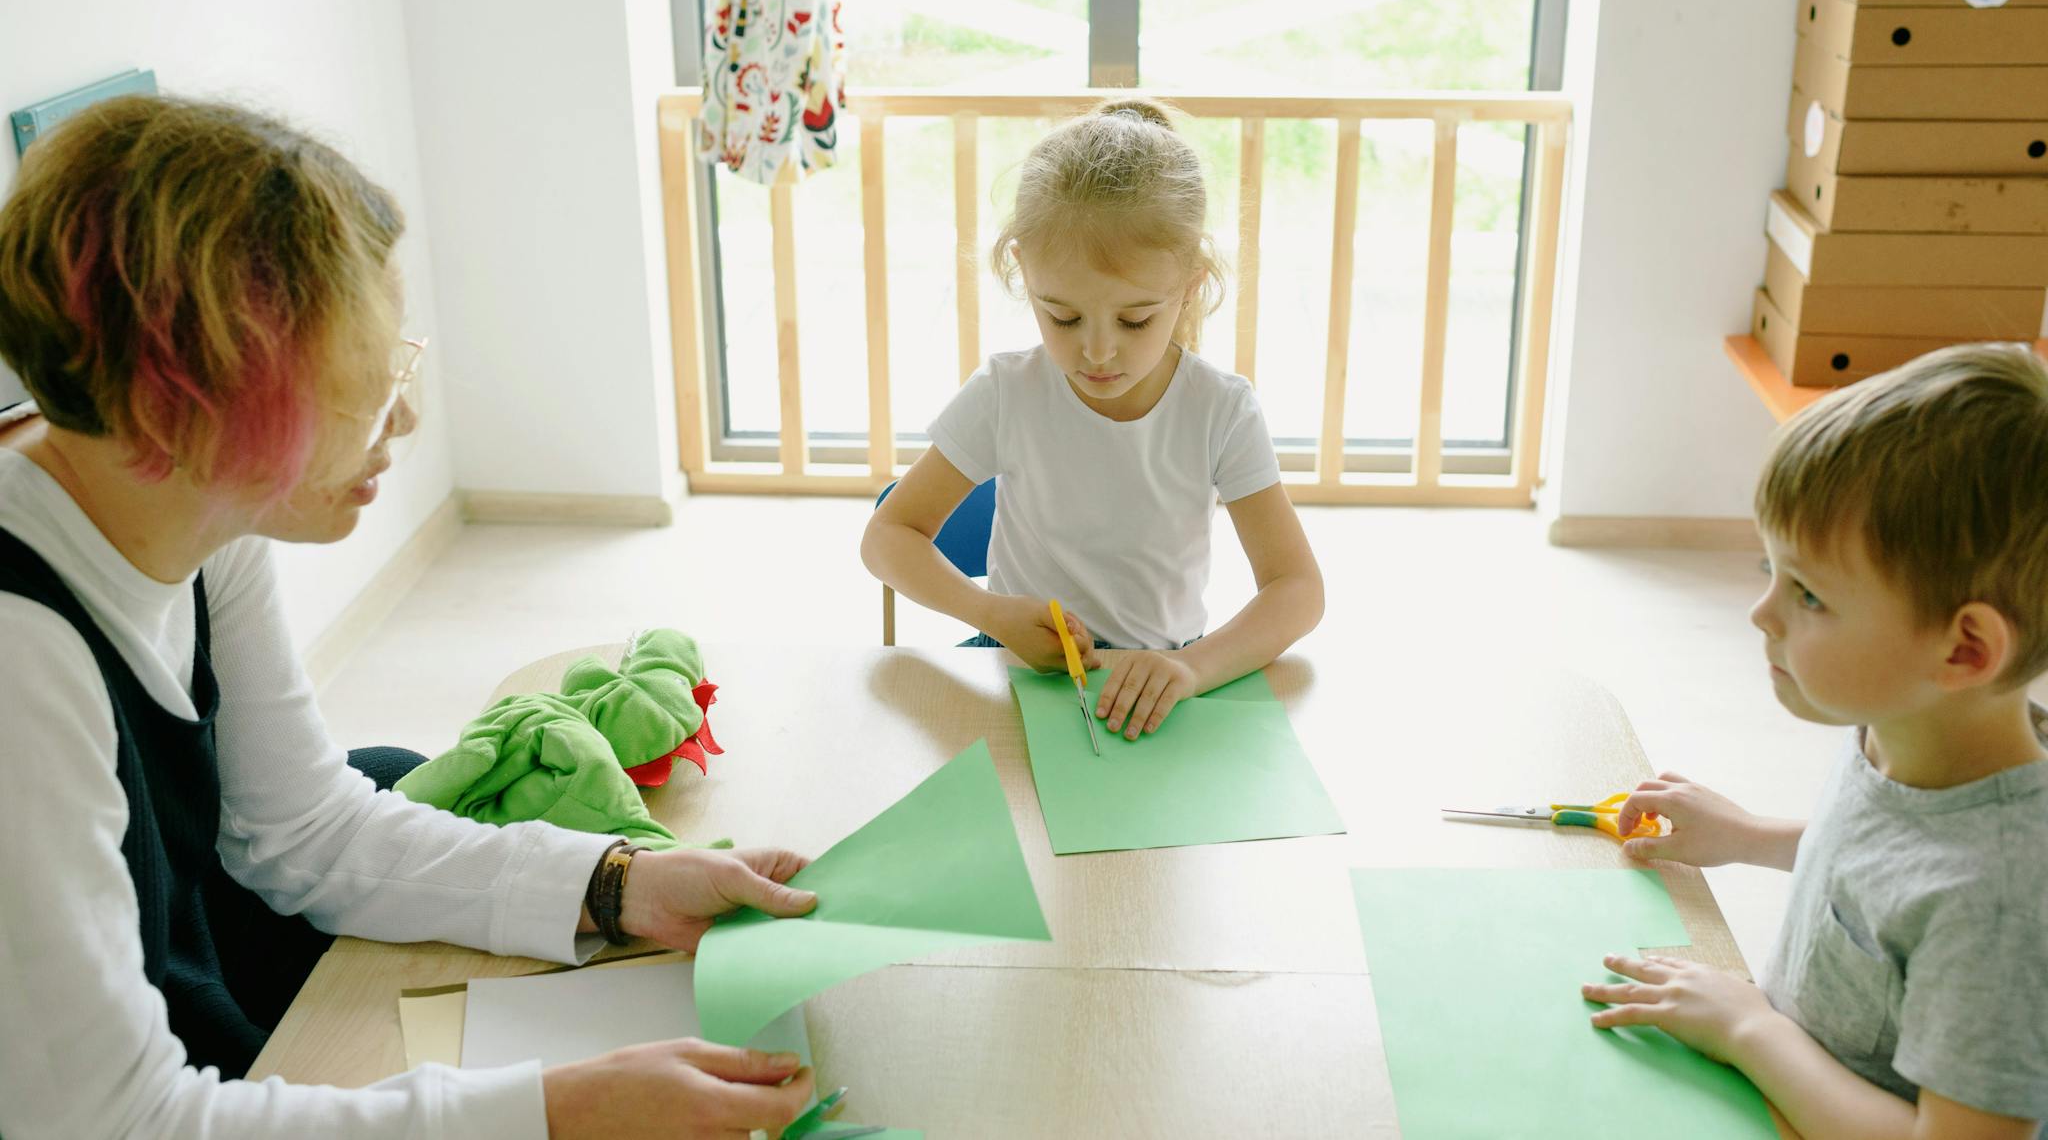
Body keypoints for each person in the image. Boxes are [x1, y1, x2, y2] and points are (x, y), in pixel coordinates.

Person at [0, 95, 821, 1139]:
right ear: (190, 405)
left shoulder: (199, 500)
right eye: (363, 377)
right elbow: (114, 1124)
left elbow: (297, 826)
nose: (407, 415)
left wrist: (621, 882)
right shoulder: (21, 662)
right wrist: (555, 1111)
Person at [1580, 344, 2048, 1138]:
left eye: (1807, 593)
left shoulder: (2005, 903)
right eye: (1769, 566)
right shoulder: (1904, 725)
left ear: (1965, 649)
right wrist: (1748, 836)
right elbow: (1894, 872)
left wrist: (1750, 1030)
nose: (1761, 613)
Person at [861, 96, 1323, 739]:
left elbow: (1297, 587)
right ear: (1023, 269)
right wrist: (990, 612)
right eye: (1063, 317)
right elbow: (888, 537)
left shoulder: (1220, 409)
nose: (1098, 352)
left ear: (1191, 283)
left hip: (1165, 679)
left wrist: (1192, 668)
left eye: (1135, 320)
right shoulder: (1007, 392)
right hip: (1013, 669)